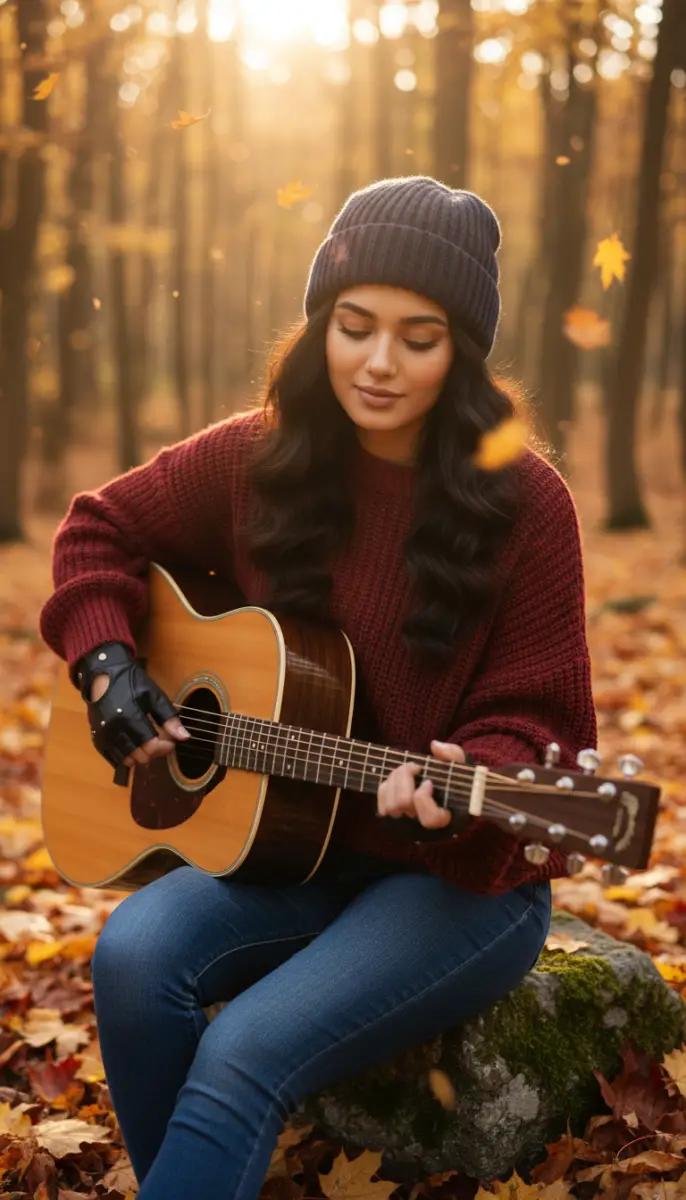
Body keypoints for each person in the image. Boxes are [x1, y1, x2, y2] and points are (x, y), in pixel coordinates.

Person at [39, 176, 597, 1199]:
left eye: (418, 338)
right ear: (319, 326)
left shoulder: (527, 504)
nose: (377, 363)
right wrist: (109, 665)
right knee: (131, 957)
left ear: (462, 352)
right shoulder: (254, 456)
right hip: (288, 852)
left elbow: (537, 719)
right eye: (353, 326)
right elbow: (98, 529)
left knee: (243, 1051)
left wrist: (465, 781)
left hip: (454, 885)